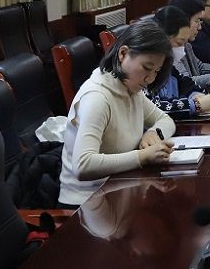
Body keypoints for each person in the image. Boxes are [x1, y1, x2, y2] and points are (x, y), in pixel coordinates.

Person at [58, 21, 176, 207]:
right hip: (86, 203)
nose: (150, 78)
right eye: (146, 68)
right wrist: (142, 156)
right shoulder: (97, 98)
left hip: (121, 190)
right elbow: (83, 165)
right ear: (123, 54)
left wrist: (153, 133)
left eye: (156, 71)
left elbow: (165, 120)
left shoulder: (131, 87)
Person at [148, 6, 210, 116]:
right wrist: (195, 105)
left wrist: (197, 96)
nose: (182, 50)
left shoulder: (169, 67)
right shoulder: (147, 70)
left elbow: (189, 86)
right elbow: (152, 107)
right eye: (179, 43)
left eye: (185, 43)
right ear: (162, 38)